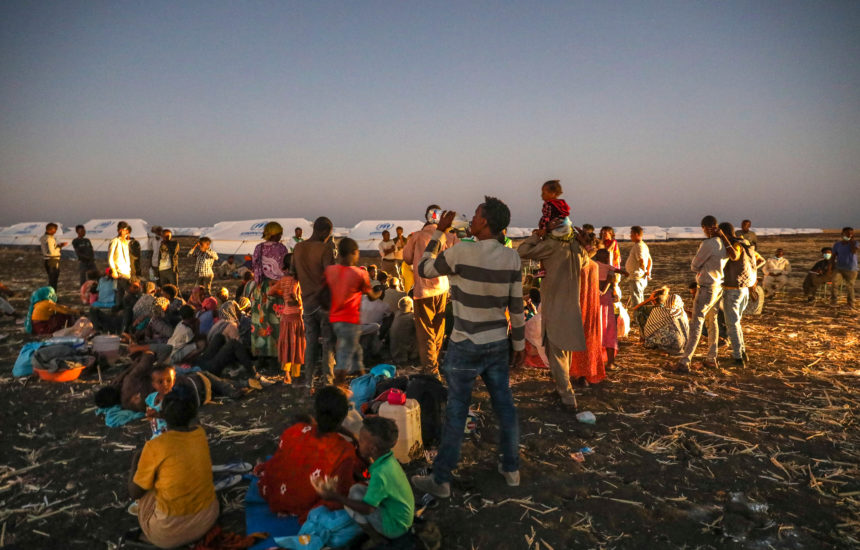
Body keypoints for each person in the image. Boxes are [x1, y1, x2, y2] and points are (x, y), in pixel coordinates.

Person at [410, 198, 523, 498]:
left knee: (457, 411)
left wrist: (440, 233)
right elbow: (517, 306)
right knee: (505, 407)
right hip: (497, 344)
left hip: (465, 345)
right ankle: (511, 468)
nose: (470, 219)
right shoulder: (512, 258)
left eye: (475, 215)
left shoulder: (461, 251)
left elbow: (424, 268)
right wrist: (520, 345)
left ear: (484, 223)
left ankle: (442, 479)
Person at [128, 387, 219, 548]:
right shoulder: (200, 433)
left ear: (163, 414)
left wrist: (135, 461)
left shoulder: (155, 446)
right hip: (208, 519)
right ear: (194, 412)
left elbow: (134, 492)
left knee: (146, 491)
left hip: (169, 533)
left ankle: (148, 537)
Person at [256, 386, 361, 522]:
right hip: (303, 504)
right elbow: (343, 489)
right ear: (342, 417)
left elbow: (280, 459)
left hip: (275, 494)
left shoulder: (294, 431)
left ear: (316, 411)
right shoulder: (345, 450)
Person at [518, 224, 589, 405]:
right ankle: (561, 390)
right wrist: (584, 244)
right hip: (572, 307)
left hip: (555, 308)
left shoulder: (550, 246)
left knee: (556, 353)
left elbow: (523, 250)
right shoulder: (576, 248)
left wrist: (536, 236)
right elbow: (587, 260)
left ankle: (567, 398)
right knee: (565, 351)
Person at [313, 416, 414, 542]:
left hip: (395, 527)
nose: (357, 443)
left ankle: (377, 538)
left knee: (351, 501)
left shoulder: (380, 474)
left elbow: (368, 508)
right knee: (356, 490)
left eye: (360, 441)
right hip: (401, 517)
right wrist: (362, 475)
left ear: (373, 449)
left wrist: (335, 497)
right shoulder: (388, 461)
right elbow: (373, 478)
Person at [673, 216, 736, 372]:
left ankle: (685, 361)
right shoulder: (725, 244)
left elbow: (694, 266)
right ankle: (711, 358)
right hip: (718, 287)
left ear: (705, 227)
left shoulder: (708, 244)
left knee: (697, 324)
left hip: (707, 286)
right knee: (712, 322)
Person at [403, 205, 458, 378]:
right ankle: (435, 362)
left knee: (425, 331)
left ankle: (431, 370)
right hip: (442, 288)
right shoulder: (450, 236)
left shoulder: (416, 236)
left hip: (423, 290)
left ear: (426, 217)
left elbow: (406, 258)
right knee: (438, 329)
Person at [325, 238, 382, 386]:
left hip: (335, 318)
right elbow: (370, 296)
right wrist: (378, 293)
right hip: (350, 319)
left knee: (356, 350)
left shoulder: (330, 271)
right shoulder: (359, 273)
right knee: (345, 354)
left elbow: (323, 293)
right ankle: (339, 387)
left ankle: (362, 376)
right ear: (354, 253)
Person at [291, 217, 337, 386]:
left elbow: (293, 273)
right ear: (325, 231)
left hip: (307, 303)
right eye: (329, 234)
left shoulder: (298, 248)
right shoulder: (325, 249)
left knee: (310, 344)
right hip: (324, 303)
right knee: (328, 344)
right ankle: (328, 382)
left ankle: (309, 383)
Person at [248, 222, 289, 365]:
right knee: (278, 321)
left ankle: (262, 354)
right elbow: (285, 269)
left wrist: (259, 284)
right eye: (279, 233)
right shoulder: (282, 248)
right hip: (277, 289)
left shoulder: (258, 248)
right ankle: (278, 355)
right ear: (274, 233)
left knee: (261, 321)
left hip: (262, 289)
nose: (281, 236)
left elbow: (256, 268)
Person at [718, 222, 757, 367]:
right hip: (744, 289)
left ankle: (738, 357)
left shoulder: (735, 246)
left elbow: (734, 257)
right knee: (736, 324)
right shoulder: (745, 243)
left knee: (732, 325)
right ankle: (742, 352)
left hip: (733, 290)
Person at [267, 254, 305, 384]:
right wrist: (296, 300)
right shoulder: (297, 279)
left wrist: (283, 295)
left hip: (286, 317)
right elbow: (294, 293)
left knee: (287, 345)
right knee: (297, 345)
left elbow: (270, 292)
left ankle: (287, 375)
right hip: (296, 317)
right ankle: (296, 374)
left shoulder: (283, 280)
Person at [633, 286, 689, 355]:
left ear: (653, 300)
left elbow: (636, 308)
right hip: (685, 344)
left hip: (672, 345)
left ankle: (645, 340)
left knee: (650, 333)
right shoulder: (680, 312)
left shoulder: (658, 310)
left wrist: (649, 299)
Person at [830, 227, 858, 309]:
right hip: (839, 268)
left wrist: (851, 242)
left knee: (849, 286)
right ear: (842, 234)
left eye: (851, 233)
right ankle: (834, 301)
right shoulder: (837, 244)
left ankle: (850, 304)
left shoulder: (855, 243)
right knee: (834, 284)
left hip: (851, 269)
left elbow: (854, 251)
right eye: (847, 233)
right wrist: (832, 266)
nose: (849, 235)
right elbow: (833, 256)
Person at [625, 226, 652, 308]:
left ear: (636, 234)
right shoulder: (644, 245)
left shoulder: (638, 246)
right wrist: (648, 272)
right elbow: (650, 260)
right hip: (640, 277)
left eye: (631, 234)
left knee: (636, 301)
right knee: (639, 299)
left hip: (636, 277)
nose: (630, 236)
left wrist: (645, 270)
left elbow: (642, 261)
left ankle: (638, 319)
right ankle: (640, 318)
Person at [109, 221, 133, 304]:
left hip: (127, 270)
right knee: (126, 290)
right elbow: (110, 257)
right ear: (120, 230)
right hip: (120, 270)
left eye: (127, 230)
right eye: (124, 230)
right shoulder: (115, 241)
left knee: (121, 291)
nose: (126, 232)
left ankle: (120, 307)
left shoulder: (127, 242)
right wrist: (113, 270)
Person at [389, 297, 418, 366]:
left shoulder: (396, 314)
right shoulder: (412, 316)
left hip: (393, 350)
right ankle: (414, 356)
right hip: (404, 351)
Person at [39, 223, 66, 291]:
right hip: (53, 260)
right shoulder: (50, 239)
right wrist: (59, 247)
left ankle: (51, 295)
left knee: (51, 279)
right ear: (51, 229)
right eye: (55, 230)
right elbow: (52, 252)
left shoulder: (43, 238)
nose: (55, 231)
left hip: (47, 260)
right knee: (53, 280)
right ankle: (52, 296)